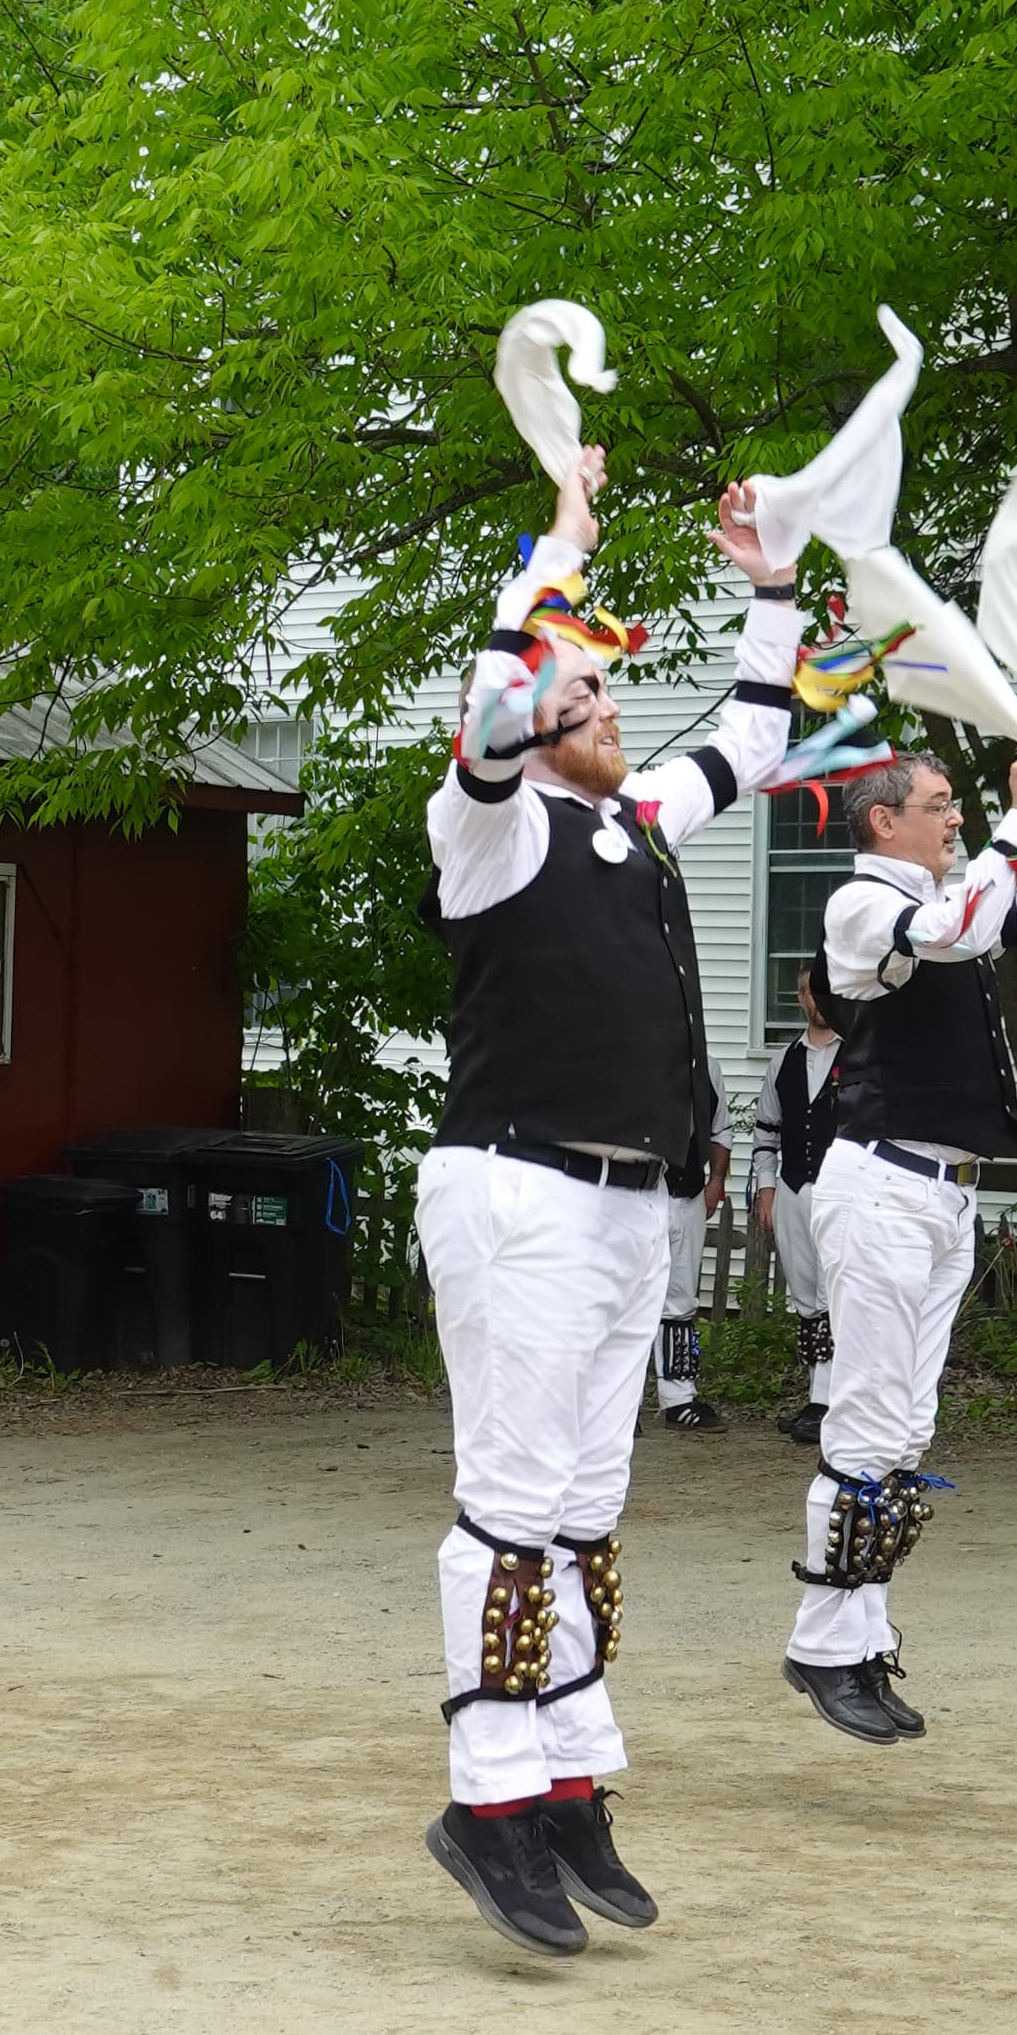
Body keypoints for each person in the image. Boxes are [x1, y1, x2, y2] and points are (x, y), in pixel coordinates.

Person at [417, 444, 805, 1953]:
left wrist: (768, 585)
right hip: (519, 1188)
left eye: (600, 693)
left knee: (584, 1507)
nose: (609, 706)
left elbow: (763, 733)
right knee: (513, 1506)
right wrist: (560, 541)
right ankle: (487, 1801)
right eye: (585, 694)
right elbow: (497, 699)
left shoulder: (637, 818)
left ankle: (567, 1776)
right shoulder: (489, 830)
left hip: (630, 1205)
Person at [786, 736, 1017, 1740]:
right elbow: (950, 927)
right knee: (864, 1421)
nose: (956, 821)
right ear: (883, 820)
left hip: (944, 1193)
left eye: (956, 808)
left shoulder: (960, 901)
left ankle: (861, 1635)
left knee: (902, 1431)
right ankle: (821, 1641)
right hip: (883, 1184)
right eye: (941, 805)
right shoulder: (864, 905)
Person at [748, 961, 843, 1444]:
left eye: (825, 991)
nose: (817, 1000)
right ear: (801, 999)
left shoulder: (859, 1056)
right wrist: (766, 1189)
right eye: (809, 992)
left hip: (841, 1192)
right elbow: (766, 1130)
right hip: (792, 1188)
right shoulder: (783, 1060)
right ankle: (817, 1397)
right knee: (807, 1299)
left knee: (836, 1295)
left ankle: (830, 1402)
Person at [654, 1134, 732, 1428]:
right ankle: (624, 1405)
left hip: (688, 1196)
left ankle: (679, 1400)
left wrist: (716, 1180)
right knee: (626, 1302)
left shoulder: (708, 1085)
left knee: (681, 1301)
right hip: (640, 1193)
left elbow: (721, 1131)